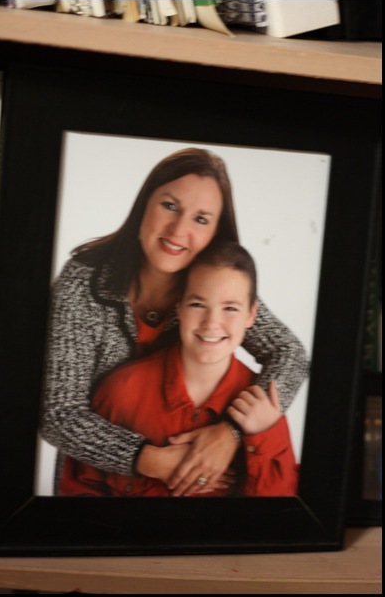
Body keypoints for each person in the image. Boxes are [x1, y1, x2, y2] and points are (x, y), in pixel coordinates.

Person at [41, 147, 308, 496]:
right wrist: (148, 459)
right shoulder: (83, 283)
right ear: (143, 206)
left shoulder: (212, 289)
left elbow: (290, 354)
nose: (179, 229)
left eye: (201, 219)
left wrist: (231, 433)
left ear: (215, 233)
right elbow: (58, 413)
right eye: (169, 206)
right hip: (104, 485)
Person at [60, 241, 299, 497]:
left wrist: (260, 436)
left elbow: (281, 507)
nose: (211, 323)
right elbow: (78, 492)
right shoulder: (120, 392)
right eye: (198, 305)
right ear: (179, 307)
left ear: (251, 315)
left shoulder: (262, 410)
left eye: (230, 308)